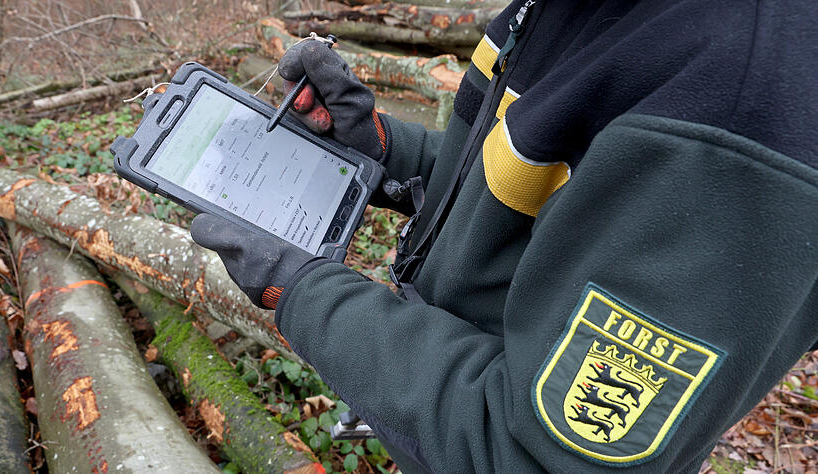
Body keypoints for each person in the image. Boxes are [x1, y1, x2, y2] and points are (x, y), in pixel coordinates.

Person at [190, 1, 818, 472]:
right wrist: (381, 150)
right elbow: (534, 186)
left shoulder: (739, 105)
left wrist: (304, 291)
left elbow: (532, 456)